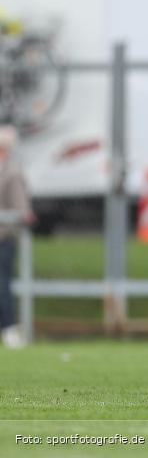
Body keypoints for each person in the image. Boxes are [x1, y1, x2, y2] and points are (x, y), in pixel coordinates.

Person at [0, 125, 34, 349]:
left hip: (4, 236)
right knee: (3, 283)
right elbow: (22, 210)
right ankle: (10, 329)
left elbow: (19, 210)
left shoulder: (11, 171)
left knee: (3, 283)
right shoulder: (13, 171)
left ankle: (9, 328)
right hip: (6, 236)